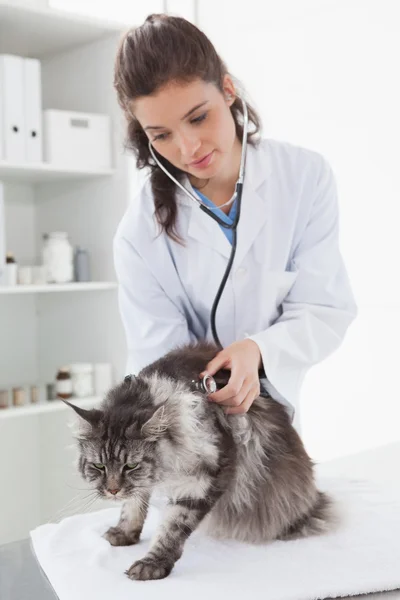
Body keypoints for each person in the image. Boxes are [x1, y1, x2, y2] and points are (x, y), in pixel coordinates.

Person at [112, 13, 357, 434]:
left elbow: (323, 308)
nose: (188, 148)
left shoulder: (303, 177)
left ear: (227, 90)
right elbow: (161, 360)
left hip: (276, 431)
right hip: (189, 439)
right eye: (161, 135)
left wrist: (258, 350)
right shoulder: (138, 235)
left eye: (197, 117)